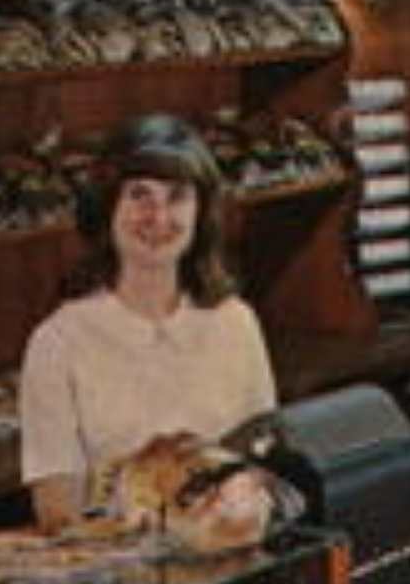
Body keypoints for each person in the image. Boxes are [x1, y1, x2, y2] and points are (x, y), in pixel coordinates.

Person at [20, 111, 276, 530]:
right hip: (116, 582)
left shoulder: (237, 324)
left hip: (230, 570)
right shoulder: (58, 342)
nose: (159, 217)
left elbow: (264, 468)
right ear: (107, 208)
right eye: (139, 195)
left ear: (201, 212)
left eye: (177, 197)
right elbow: (56, 512)